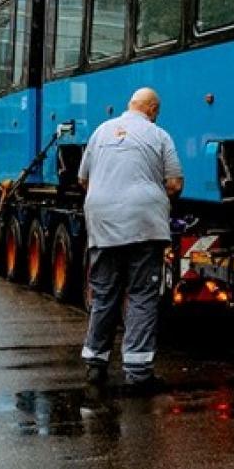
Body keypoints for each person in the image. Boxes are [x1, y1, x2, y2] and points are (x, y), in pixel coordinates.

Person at [78, 87, 183, 393]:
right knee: (140, 293)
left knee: (104, 291)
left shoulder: (100, 132)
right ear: (152, 109)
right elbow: (174, 183)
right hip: (143, 224)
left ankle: (95, 363)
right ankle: (138, 373)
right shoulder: (159, 135)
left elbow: (82, 179)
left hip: (102, 221)